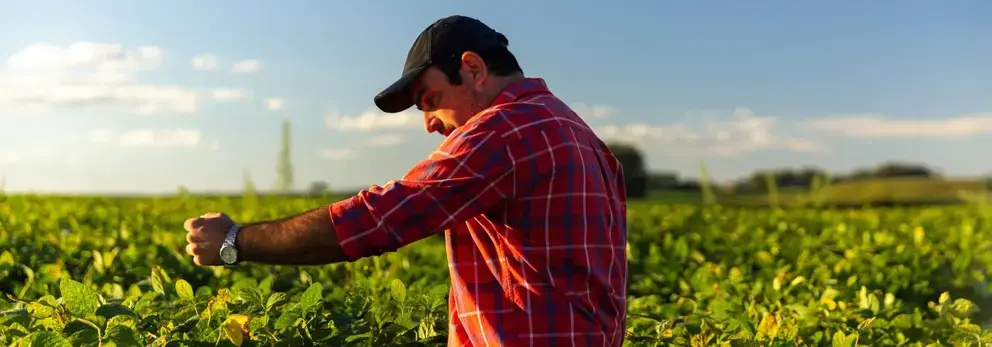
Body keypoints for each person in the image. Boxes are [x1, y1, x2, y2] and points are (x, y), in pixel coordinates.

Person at [183, 15, 628, 346]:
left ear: (473, 69)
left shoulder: (504, 131)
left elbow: (378, 220)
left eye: (431, 99)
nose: (429, 123)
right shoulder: (579, 133)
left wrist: (235, 241)